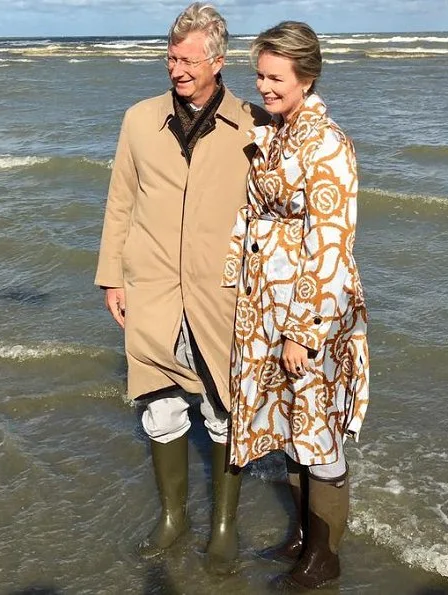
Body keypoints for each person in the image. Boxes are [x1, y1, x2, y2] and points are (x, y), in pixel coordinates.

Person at [94, 2, 269, 571]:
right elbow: (120, 201)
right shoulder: (138, 120)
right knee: (161, 406)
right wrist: (111, 277)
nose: (176, 70)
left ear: (218, 61)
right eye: (171, 58)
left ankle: (223, 525)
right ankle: (174, 517)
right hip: (151, 288)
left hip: (222, 293)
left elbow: (274, 213)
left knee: (224, 407)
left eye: (188, 60)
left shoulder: (253, 124)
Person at [221, 22, 369, 589]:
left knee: (317, 427)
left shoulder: (326, 142)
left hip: (313, 310)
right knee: (289, 423)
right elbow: (255, 211)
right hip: (269, 308)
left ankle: (325, 558)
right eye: (259, 74)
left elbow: (333, 243)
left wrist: (302, 331)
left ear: (307, 78)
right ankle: (304, 539)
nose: (263, 86)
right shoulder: (280, 131)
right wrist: (235, 277)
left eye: (275, 77)